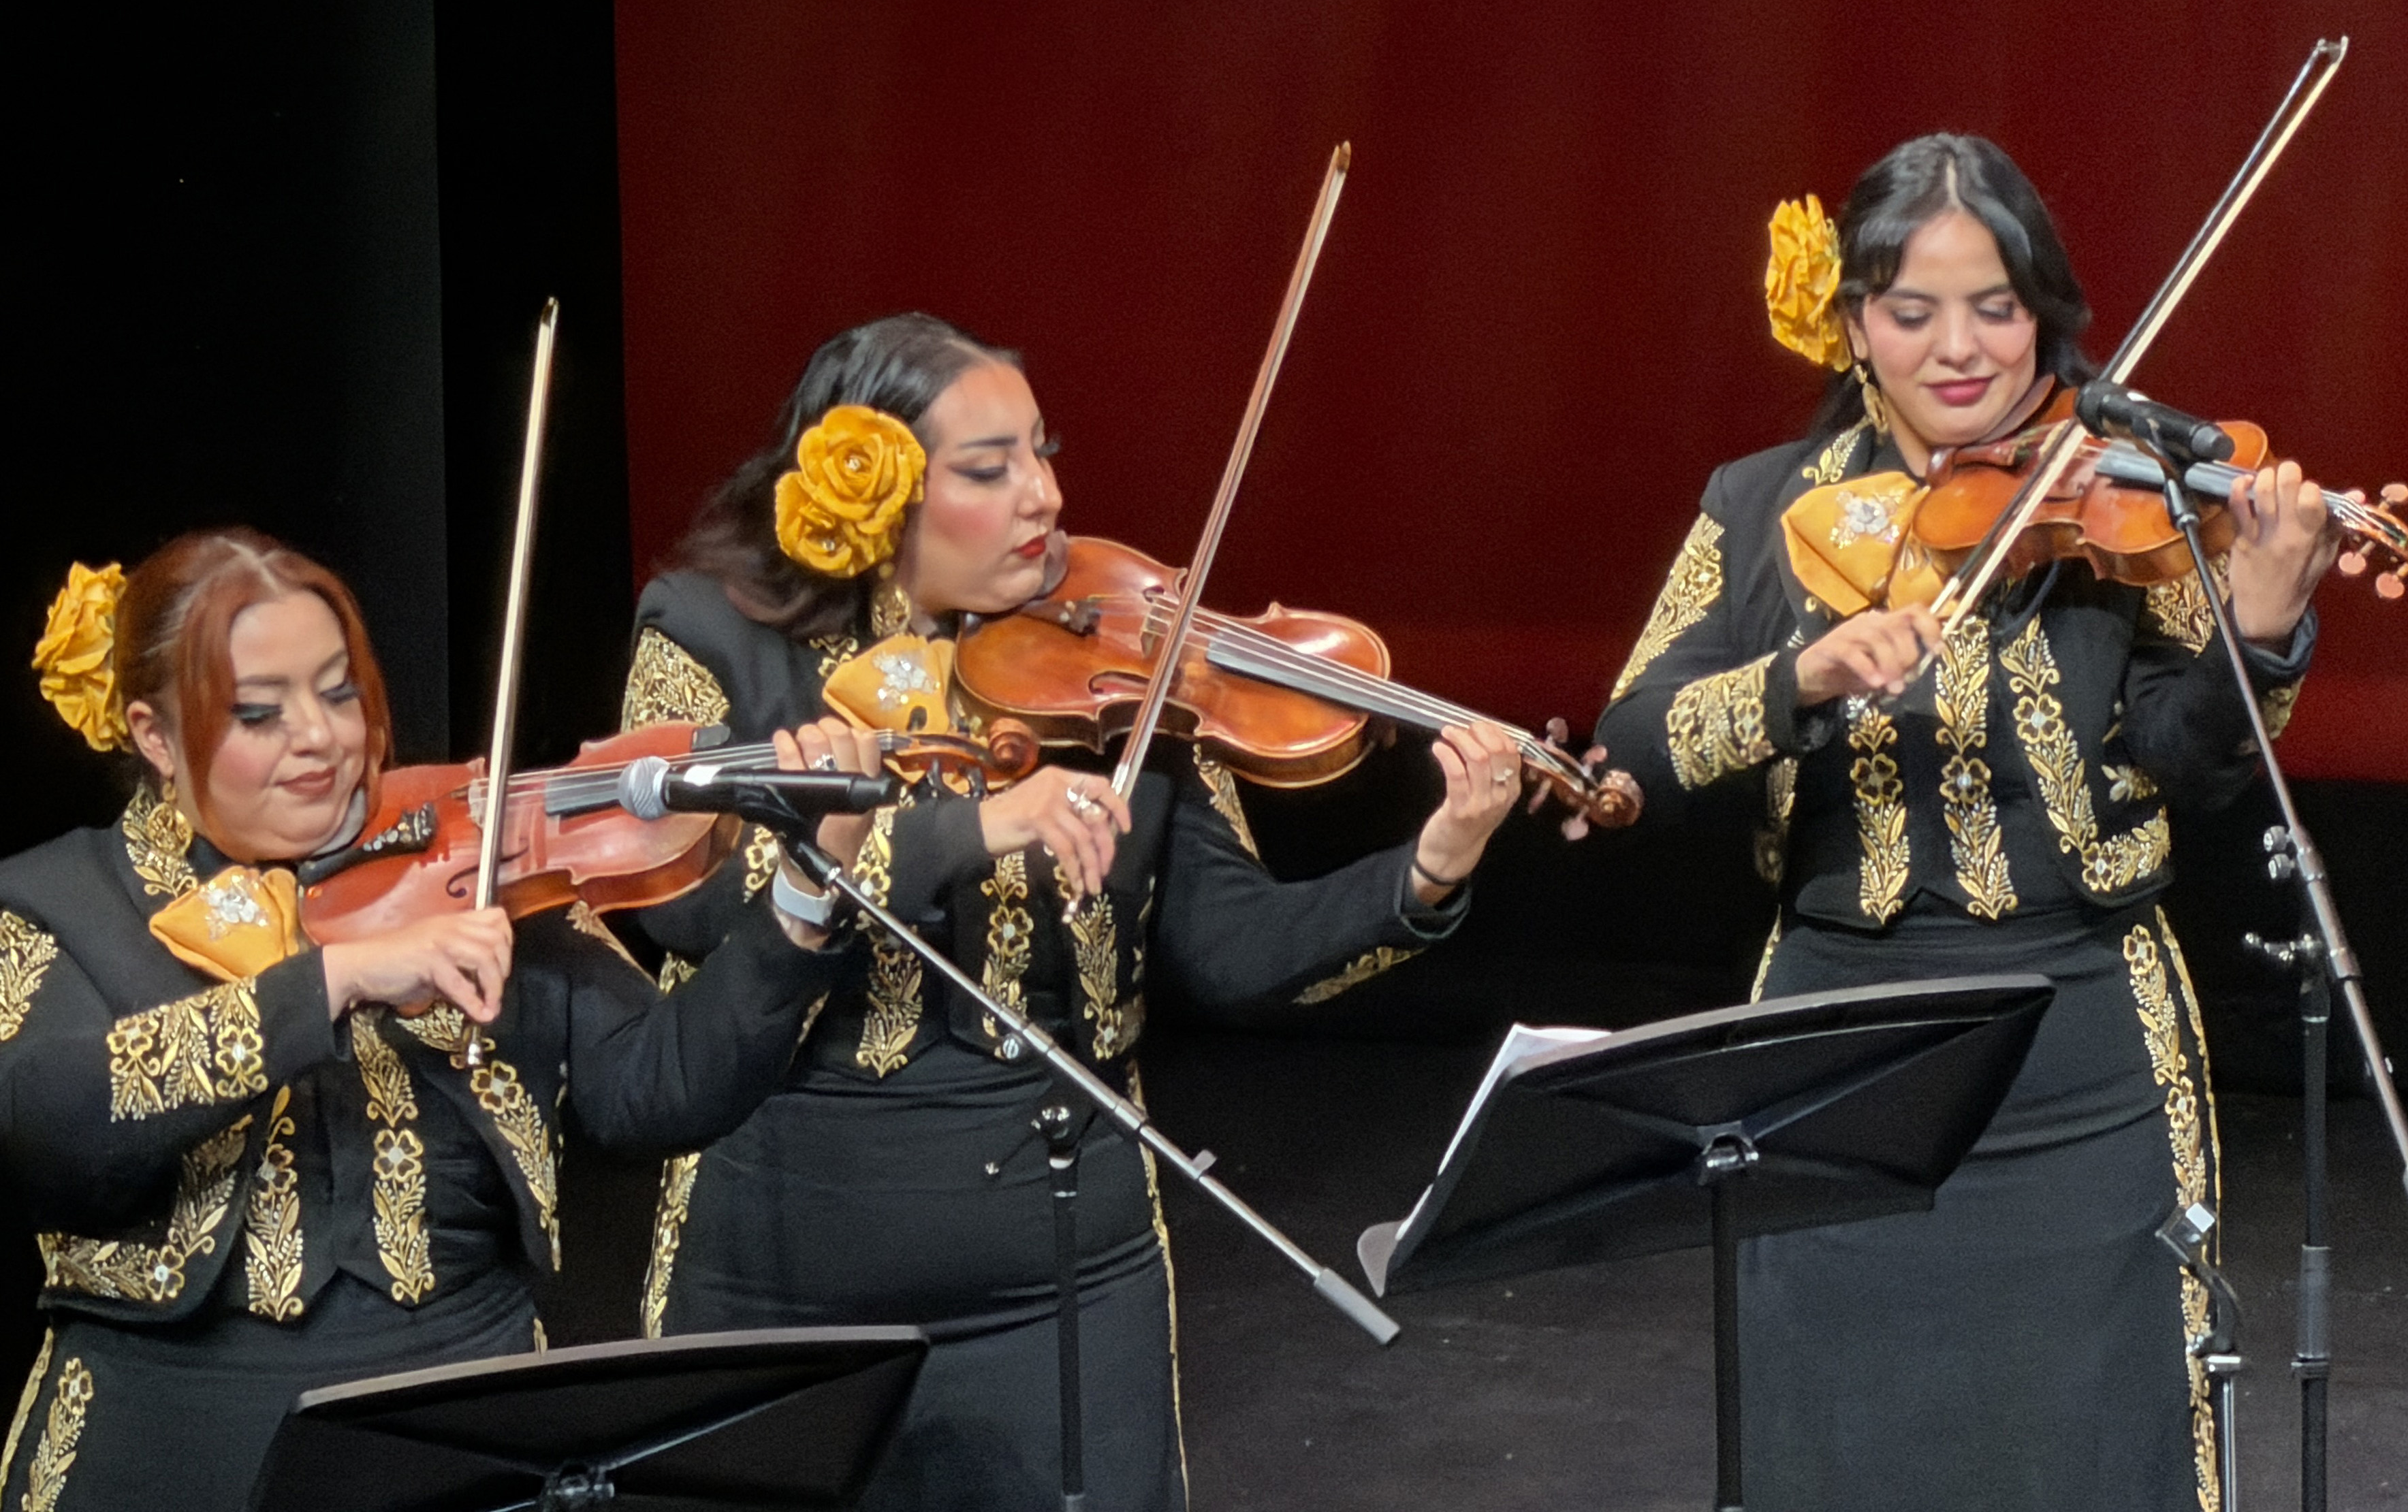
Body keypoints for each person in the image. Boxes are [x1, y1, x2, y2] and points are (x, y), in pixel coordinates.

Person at [621, 312, 1527, 1511]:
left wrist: (1428, 869)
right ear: (876, 487)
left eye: (1043, 455)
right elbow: (684, 900)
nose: (1043, 497)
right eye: (989, 471)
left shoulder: (1115, 655)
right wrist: (958, 827)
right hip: (780, 1266)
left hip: (1062, 1274)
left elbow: (1234, 950)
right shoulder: (711, 636)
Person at [1596, 134, 2338, 1512]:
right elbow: (1633, 746)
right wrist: (1797, 677)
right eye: (1910, 309)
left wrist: (2261, 621)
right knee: (1839, 1445)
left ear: (2043, 312)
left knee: (2100, 1442)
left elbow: (2191, 761)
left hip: (2083, 1050)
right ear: (1851, 324)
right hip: (1836, 1053)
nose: (1958, 350)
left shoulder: (2119, 488)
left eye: (1994, 307)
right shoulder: (1763, 507)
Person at [0, 530, 853, 1511]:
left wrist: (800, 898)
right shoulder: (60, 901)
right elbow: (43, 1127)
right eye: (258, 714)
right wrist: (328, 983)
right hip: (168, 1448)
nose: (320, 738)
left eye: (339, 691)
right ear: (154, 737)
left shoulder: (471, 851)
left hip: (460, 1437)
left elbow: (660, 1087)